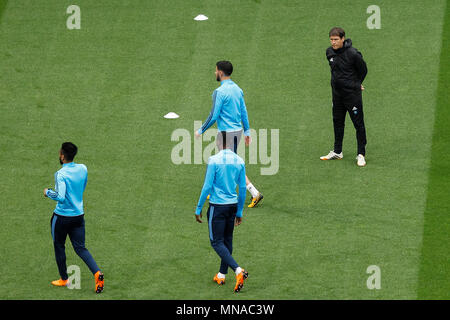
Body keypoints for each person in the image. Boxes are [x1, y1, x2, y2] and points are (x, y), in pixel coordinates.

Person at [195, 60, 263, 207]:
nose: (214, 73)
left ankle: (254, 192)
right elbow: (243, 111)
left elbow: (213, 115)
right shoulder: (238, 89)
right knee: (227, 161)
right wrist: (247, 131)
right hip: (237, 131)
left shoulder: (219, 92)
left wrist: (201, 130)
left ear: (220, 72)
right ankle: (214, 190)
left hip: (226, 133)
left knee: (229, 163)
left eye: (215, 71)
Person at [44, 142, 104, 293]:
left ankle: (64, 279)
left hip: (62, 217)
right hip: (78, 215)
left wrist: (47, 192)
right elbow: (83, 186)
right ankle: (97, 273)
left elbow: (61, 197)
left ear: (62, 156)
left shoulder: (61, 174)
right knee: (80, 248)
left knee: (59, 246)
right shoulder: (83, 168)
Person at [195, 132, 249, 293]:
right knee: (227, 240)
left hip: (217, 207)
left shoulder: (214, 160)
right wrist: (239, 211)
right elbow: (243, 189)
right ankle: (221, 274)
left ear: (218, 143)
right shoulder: (239, 161)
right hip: (232, 206)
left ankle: (238, 271)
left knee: (216, 242)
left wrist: (198, 208)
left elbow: (206, 187)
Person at [320, 27, 368, 167]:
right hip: (337, 96)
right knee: (337, 122)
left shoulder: (353, 54)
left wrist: (356, 84)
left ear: (343, 39)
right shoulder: (329, 53)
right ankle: (337, 151)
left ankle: (361, 154)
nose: (333, 43)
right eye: (331, 40)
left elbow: (363, 70)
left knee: (358, 125)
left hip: (352, 96)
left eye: (336, 40)